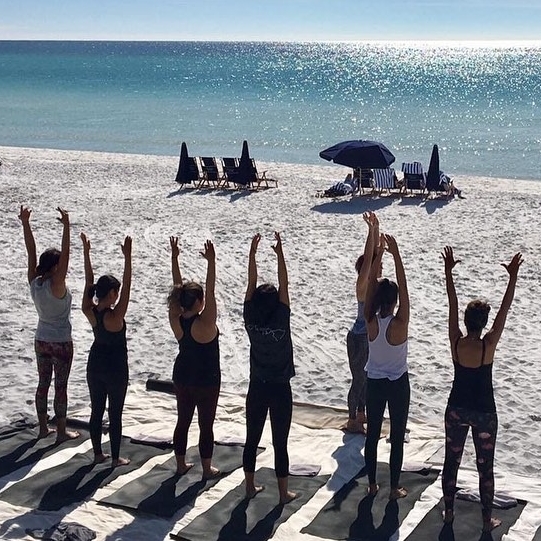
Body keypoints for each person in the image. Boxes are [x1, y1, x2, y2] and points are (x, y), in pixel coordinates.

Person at [441, 247, 522, 532]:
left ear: (466, 322)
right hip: (484, 413)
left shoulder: (456, 342)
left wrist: (448, 273)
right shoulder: (488, 345)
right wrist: (512, 278)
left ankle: (449, 513)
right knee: (484, 468)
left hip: (456, 409)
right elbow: (505, 310)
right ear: (483, 324)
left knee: (451, 462)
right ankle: (487, 521)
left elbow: (451, 304)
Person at [243, 232, 296, 504]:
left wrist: (252, 255)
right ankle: (283, 492)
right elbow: (285, 284)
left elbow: (250, 284)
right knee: (280, 442)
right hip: (279, 387)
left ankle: (250, 486)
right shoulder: (281, 316)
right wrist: (279, 255)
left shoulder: (250, 316)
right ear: (276, 302)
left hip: (257, 385)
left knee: (252, 438)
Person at [18, 206, 79, 443]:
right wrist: (66, 227)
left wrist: (25, 224)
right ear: (56, 267)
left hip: (41, 339)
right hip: (61, 341)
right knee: (60, 386)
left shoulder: (35, 282)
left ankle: (43, 427)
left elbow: (30, 252)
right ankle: (61, 432)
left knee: (43, 383)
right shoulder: (57, 284)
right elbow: (66, 255)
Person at [363, 212, 410, 500]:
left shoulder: (370, 320)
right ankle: (393, 488)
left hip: (375, 382)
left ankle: (371, 484)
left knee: (372, 435)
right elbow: (404, 291)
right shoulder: (399, 324)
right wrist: (396, 255)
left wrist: (379, 254)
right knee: (397, 437)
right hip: (397, 383)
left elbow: (370, 283)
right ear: (393, 302)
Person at [168, 236, 220, 479]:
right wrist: (211, 262)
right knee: (205, 425)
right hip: (206, 380)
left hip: (183, 376)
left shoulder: (176, 319)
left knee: (183, 421)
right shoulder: (206, 323)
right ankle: (207, 468)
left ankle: (180, 464)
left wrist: (174, 258)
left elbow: (177, 291)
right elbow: (211, 290)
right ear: (199, 302)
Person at [81, 232, 132, 467]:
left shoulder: (90, 311)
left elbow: (88, 282)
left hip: (95, 364)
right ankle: (114, 458)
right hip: (115, 368)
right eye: (116, 292)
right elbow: (128, 287)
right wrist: (128, 258)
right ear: (111, 294)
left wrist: (87, 253)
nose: (119, 295)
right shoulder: (115, 315)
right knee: (115, 413)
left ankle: (97, 454)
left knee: (96, 410)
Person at [345, 212, 380, 434]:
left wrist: (376, 228)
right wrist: (369, 232)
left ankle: (361, 414)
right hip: (358, 338)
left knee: (366, 379)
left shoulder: (374, 283)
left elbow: (375, 257)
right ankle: (352, 420)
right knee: (358, 379)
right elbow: (370, 258)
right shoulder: (362, 285)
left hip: (367, 336)